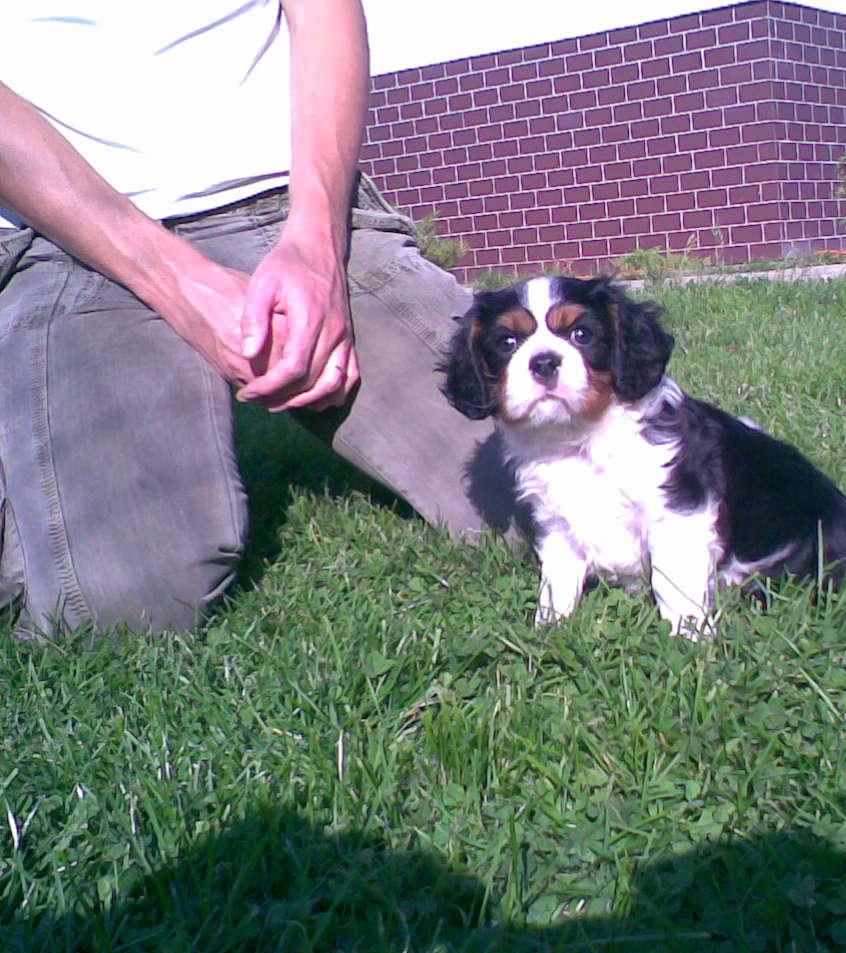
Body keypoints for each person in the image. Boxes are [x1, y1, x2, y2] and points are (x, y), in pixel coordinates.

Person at [0, 1, 506, 636]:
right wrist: (179, 282)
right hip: (70, 235)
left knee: (554, 487)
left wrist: (317, 243)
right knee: (124, 606)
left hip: (284, 205)